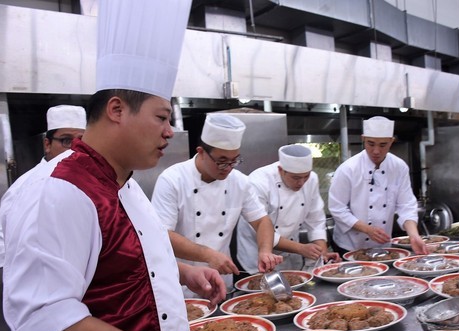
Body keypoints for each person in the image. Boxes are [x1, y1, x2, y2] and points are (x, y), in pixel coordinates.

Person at [1, 1, 242, 331]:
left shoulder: (124, 183)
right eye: (162, 117)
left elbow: (121, 260)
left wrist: (182, 272)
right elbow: (48, 327)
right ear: (116, 109)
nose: (169, 132)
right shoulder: (58, 190)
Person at [151, 113, 283, 295]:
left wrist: (265, 251)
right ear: (201, 152)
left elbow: (262, 221)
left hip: (222, 282)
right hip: (181, 284)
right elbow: (162, 235)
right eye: (221, 162)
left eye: (234, 161)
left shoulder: (240, 182)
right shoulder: (173, 179)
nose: (228, 168)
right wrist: (208, 254)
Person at [0, 105, 86, 269]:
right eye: (66, 141)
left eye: (82, 140)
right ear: (47, 144)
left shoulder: (93, 181)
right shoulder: (23, 187)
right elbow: (4, 249)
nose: (75, 148)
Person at [328, 116, 428, 256]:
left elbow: (406, 205)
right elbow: (337, 208)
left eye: (382, 145)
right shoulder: (348, 169)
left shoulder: (399, 167)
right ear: (363, 139)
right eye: (371, 144)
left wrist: (413, 235)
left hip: (382, 245)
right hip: (350, 246)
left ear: (391, 141)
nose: (376, 151)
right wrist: (367, 229)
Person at [237, 144, 340, 273]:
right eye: (296, 178)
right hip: (257, 257)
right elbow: (259, 229)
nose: (301, 183)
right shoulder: (259, 182)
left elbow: (316, 220)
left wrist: (322, 252)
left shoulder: (312, 179)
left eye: (305, 176)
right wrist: (301, 248)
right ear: (281, 170)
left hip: (292, 255)